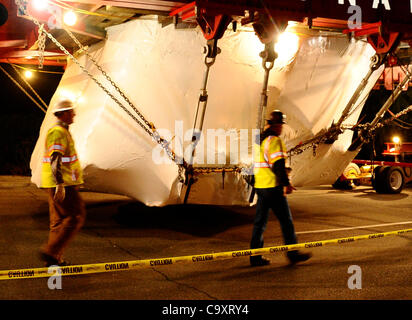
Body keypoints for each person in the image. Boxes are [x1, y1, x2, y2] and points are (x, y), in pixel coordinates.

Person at [250, 110, 312, 266]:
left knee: (259, 224)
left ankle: (255, 257)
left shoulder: (260, 141)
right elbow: (278, 166)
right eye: (281, 124)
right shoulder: (275, 141)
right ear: (276, 125)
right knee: (286, 222)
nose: (282, 127)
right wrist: (286, 184)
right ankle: (293, 254)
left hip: (261, 186)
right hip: (273, 186)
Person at [38, 99, 86, 267]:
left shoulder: (62, 131)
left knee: (58, 221)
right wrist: (59, 184)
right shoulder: (58, 132)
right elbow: (55, 158)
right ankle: (50, 252)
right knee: (75, 216)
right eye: (71, 111)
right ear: (64, 113)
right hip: (61, 184)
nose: (74, 114)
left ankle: (53, 259)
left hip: (57, 182)